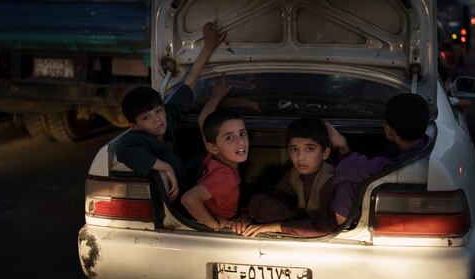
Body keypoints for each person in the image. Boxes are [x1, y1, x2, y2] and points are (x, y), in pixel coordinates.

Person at [112, 22, 224, 199]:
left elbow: (189, 82)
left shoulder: (169, 115)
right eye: (146, 117)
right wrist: (166, 167)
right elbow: (122, 150)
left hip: (188, 177)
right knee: (172, 160)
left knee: (213, 154)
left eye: (158, 111)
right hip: (177, 197)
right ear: (134, 126)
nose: (157, 120)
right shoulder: (136, 139)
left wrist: (208, 47)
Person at [329, 93, 430, 224]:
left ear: (388, 130)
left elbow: (348, 168)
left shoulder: (391, 165)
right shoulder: (423, 148)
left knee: (346, 186)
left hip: (391, 218)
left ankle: (345, 227)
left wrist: (343, 147)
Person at [232, 118, 337, 238]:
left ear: (325, 153)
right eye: (294, 149)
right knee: (259, 201)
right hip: (300, 218)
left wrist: (275, 227)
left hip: (317, 228)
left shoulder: (330, 179)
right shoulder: (294, 174)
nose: (300, 157)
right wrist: (245, 217)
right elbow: (273, 196)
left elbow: (325, 228)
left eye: (310, 149)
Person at [181, 106, 249, 230]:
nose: (241, 142)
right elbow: (188, 199)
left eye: (242, 133)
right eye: (229, 137)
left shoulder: (213, 155)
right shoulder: (225, 177)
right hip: (225, 223)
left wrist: (217, 93)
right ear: (213, 147)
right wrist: (215, 225)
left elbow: (203, 118)